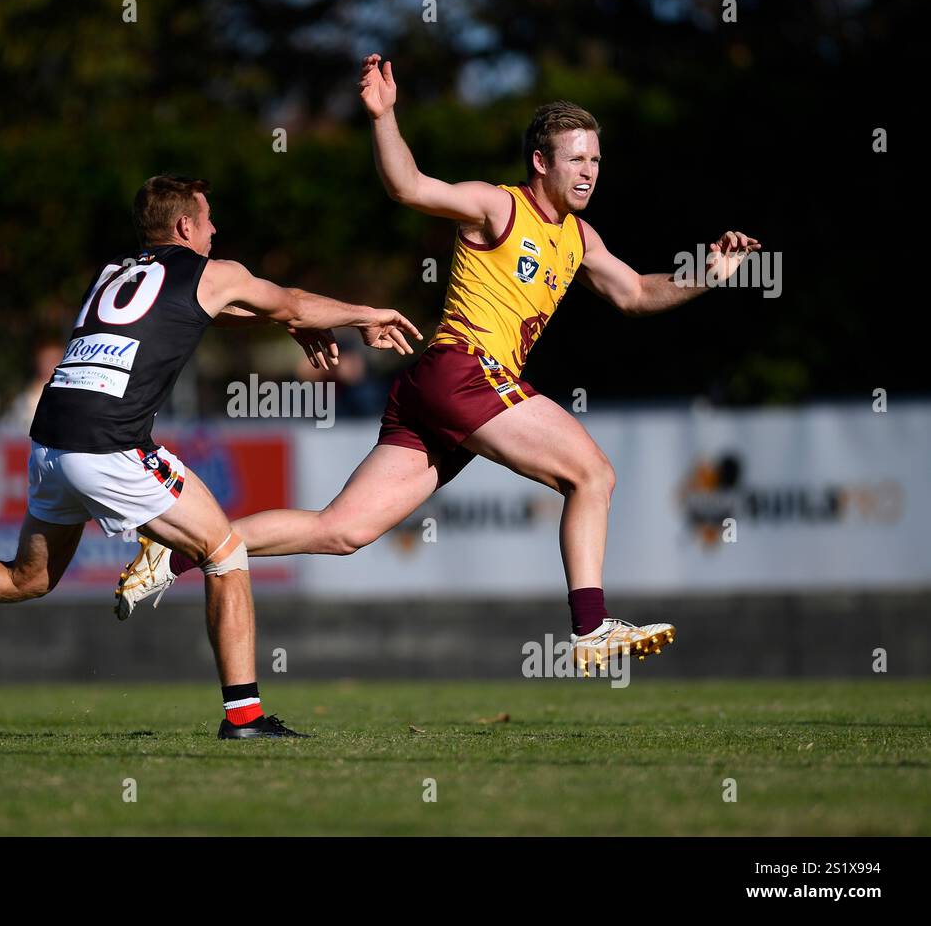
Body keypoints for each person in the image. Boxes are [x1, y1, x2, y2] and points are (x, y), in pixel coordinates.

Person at [115, 57, 763, 676]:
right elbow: (409, 186)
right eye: (577, 159)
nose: (590, 171)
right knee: (592, 474)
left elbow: (637, 294)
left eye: (596, 159)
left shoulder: (580, 237)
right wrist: (381, 116)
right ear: (541, 162)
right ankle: (591, 629)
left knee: (342, 532)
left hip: (440, 389)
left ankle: (171, 556)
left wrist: (708, 274)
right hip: (465, 371)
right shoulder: (499, 205)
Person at [0, 174, 422, 738]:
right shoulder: (215, 272)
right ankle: (244, 718)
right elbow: (285, 298)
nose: (215, 231)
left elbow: (216, 309)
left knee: (27, 577)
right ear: (186, 227)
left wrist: (282, 317)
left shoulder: (115, 271)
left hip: (51, 440)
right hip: (108, 444)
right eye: (208, 220)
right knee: (226, 550)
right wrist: (365, 315)